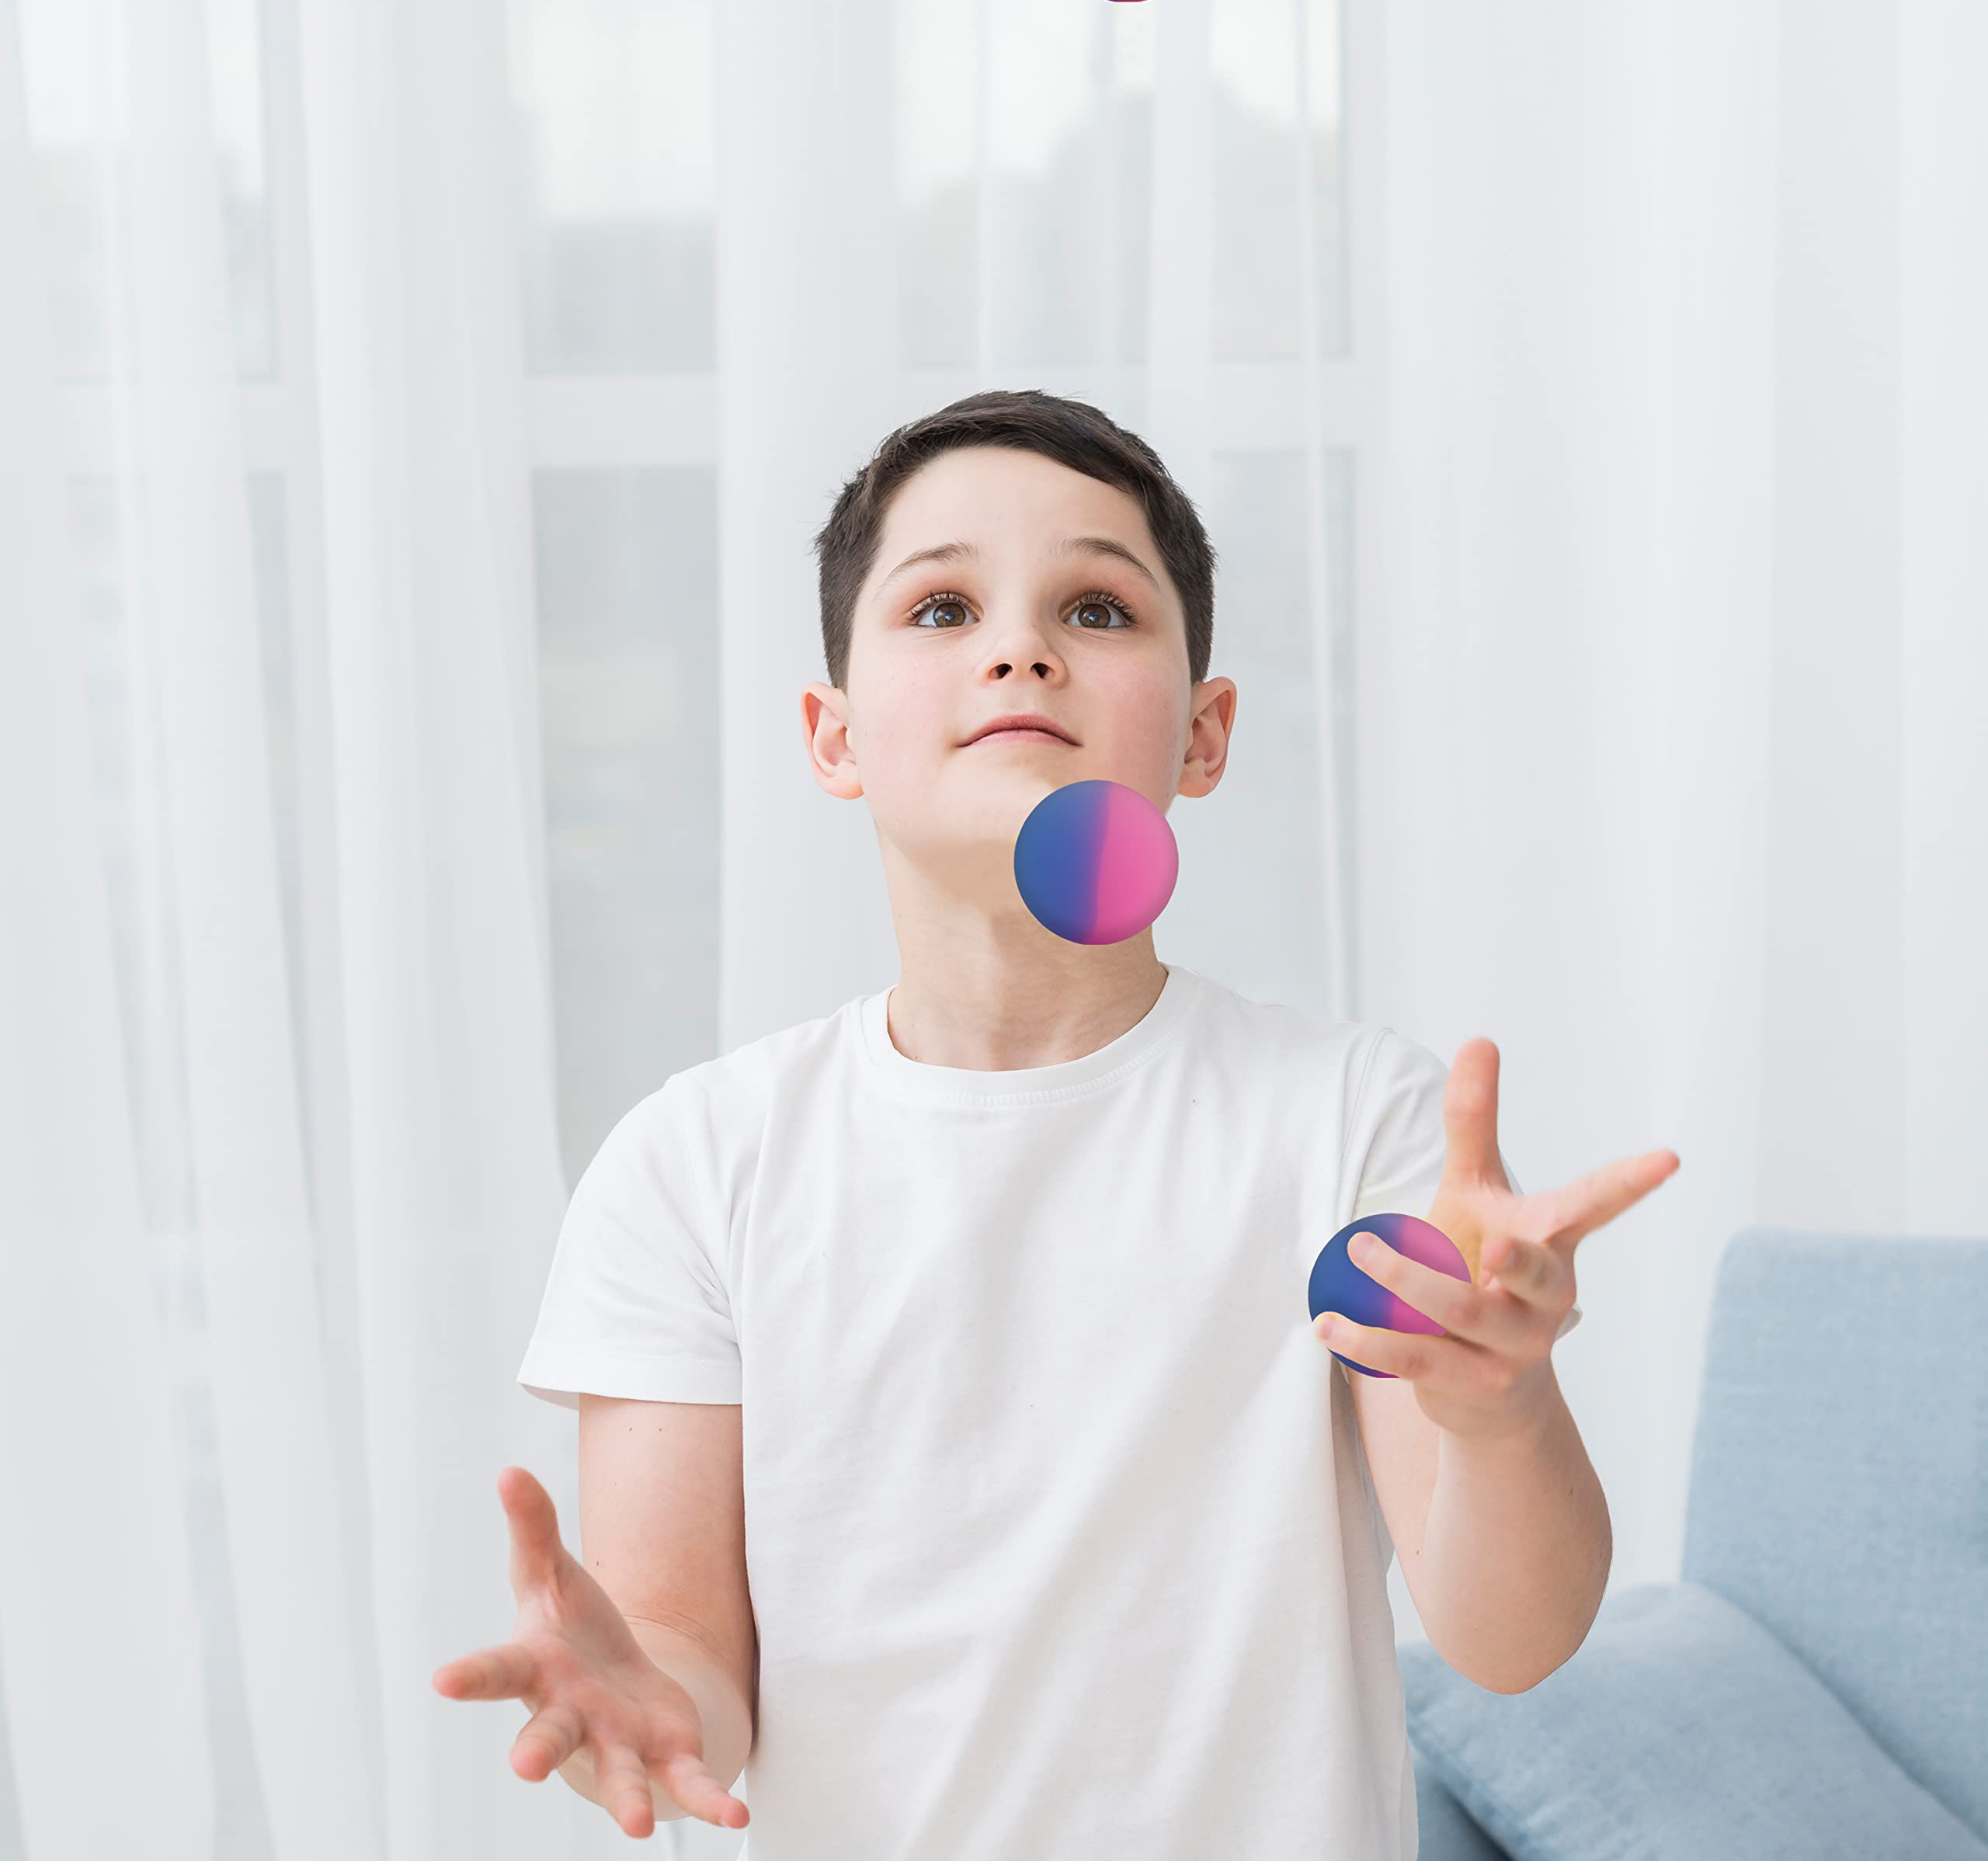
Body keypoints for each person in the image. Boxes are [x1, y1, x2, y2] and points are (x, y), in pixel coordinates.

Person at [432, 388, 1676, 1857]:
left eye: (1096, 608)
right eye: (942, 608)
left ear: (1204, 734)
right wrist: (639, 1698)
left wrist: (1500, 1414)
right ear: (834, 736)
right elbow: (689, 1669)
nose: (1019, 649)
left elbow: (1511, 1639)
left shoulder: (1353, 1121)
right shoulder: (695, 1166)